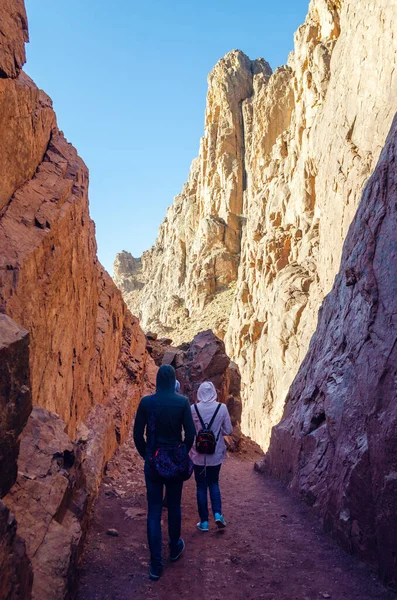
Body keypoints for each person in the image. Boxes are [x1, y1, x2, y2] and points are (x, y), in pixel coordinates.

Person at [133, 365, 195, 581]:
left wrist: (147, 455)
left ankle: (156, 565)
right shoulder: (182, 402)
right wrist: (181, 453)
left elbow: (137, 435)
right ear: (173, 380)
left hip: (153, 463)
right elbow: (190, 434)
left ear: (158, 380)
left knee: (154, 510)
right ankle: (175, 546)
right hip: (175, 464)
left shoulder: (146, 403)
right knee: (175, 505)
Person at [190, 381, 233, 532]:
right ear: (214, 393)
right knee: (214, 482)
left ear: (200, 393)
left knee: (201, 486)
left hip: (198, 455)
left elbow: (189, 431)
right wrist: (215, 432)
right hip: (215, 454)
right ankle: (218, 514)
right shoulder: (222, 408)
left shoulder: (193, 409)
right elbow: (228, 430)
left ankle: (204, 522)